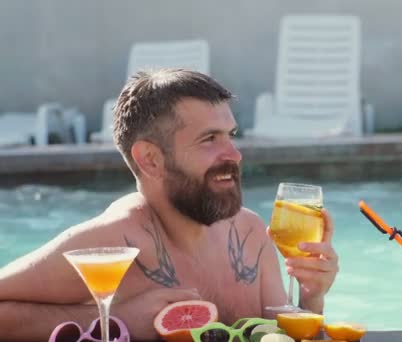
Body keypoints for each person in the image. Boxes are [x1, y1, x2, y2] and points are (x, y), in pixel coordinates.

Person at [0, 69, 339, 341]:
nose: (234, 155)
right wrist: (115, 320)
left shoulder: (251, 235)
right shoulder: (113, 244)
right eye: (209, 139)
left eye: (230, 136)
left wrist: (311, 298)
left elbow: (282, 336)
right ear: (150, 159)